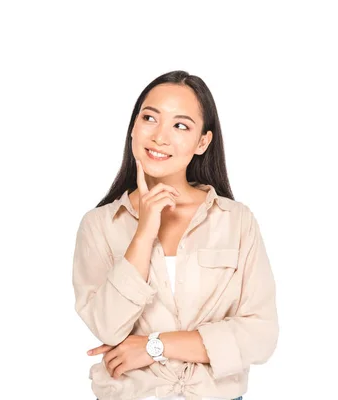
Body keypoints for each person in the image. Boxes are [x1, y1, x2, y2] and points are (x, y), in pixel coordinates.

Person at [71, 70, 278, 400]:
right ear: (133, 128)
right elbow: (108, 327)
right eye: (150, 118)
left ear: (202, 142)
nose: (160, 136)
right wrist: (143, 232)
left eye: (180, 125)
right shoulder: (99, 225)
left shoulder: (236, 221)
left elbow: (260, 335)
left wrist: (154, 346)